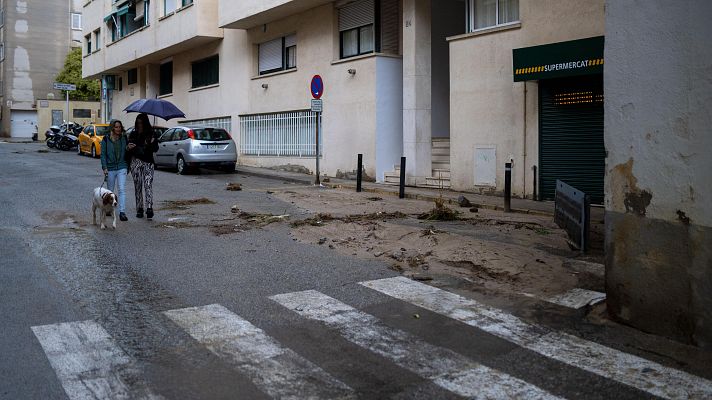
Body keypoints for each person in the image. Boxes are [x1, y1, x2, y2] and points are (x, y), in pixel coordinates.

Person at [127, 113, 159, 220]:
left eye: (141, 123)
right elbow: (131, 147)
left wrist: (152, 143)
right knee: (138, 185)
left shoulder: (151, 133)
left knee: (148, 184)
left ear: (145, 123)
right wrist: (142, 147)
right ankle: (139, 208)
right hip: (136, 162)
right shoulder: (133, 134)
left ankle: (149, 208)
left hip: (148, 162)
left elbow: (155, 149)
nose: (139, 125)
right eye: (138, 123)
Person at [100, 119, 129, 221]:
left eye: (119, 127)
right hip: (110, 168)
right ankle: (110, 210)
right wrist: (105, 167)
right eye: (116, 127)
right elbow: (103, 154)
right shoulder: (106, 139)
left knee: (121, 189)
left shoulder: (124, 138)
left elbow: (127, 151)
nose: (118, 129)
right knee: (110, 191)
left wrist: (129, 148)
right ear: (112, 128)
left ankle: (122, 212)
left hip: (122, 166)